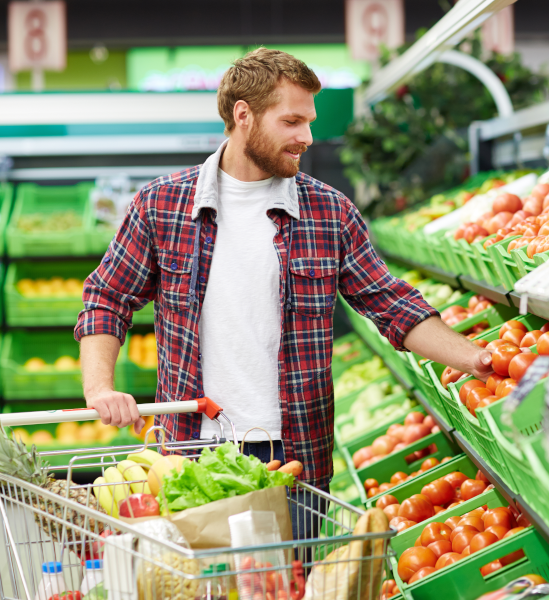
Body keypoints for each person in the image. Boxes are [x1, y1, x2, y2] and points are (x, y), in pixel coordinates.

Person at [75, 48, 492, 511]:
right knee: (210, 584)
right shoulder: (163, 205)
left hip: (295, 459)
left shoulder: (329, 212)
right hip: (191, 453)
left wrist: (478, 359)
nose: (308, 137)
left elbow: (392, 305)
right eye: (292, 122)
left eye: (309, 122)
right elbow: (106, 297)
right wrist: (100, 388)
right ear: (244, 115)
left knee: (292, 581)